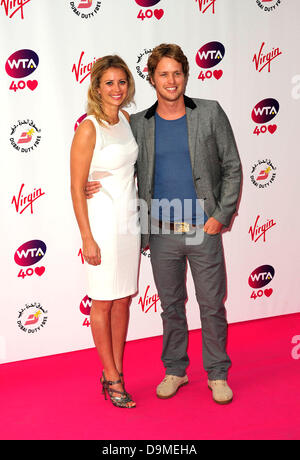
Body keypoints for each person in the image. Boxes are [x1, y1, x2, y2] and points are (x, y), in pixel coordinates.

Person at [86, 44, 241, 405]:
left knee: (212, 305)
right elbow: (116, 159)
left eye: (177, 73)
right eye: (163, 74)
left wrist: (221, 214)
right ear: (152, 79)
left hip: (204, 228)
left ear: (186, 75)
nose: (171, 81)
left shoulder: (210, 112)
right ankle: (175, 369)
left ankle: (217, 373)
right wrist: (87, 181)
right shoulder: (137, 123)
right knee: (171, 306)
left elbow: (232, 166)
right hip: (160, 233)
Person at [70, 55, 140, 408]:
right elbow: (76, 186)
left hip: (130, 222)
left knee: (123, 299)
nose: (116, 88)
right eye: (109, 82)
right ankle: (110, 377)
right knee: (103, 301)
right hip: (102, 223)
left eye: (122, 82)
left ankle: (117, 369)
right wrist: (86, 237)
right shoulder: (88, 127)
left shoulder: (127, 119)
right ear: (97, 87)